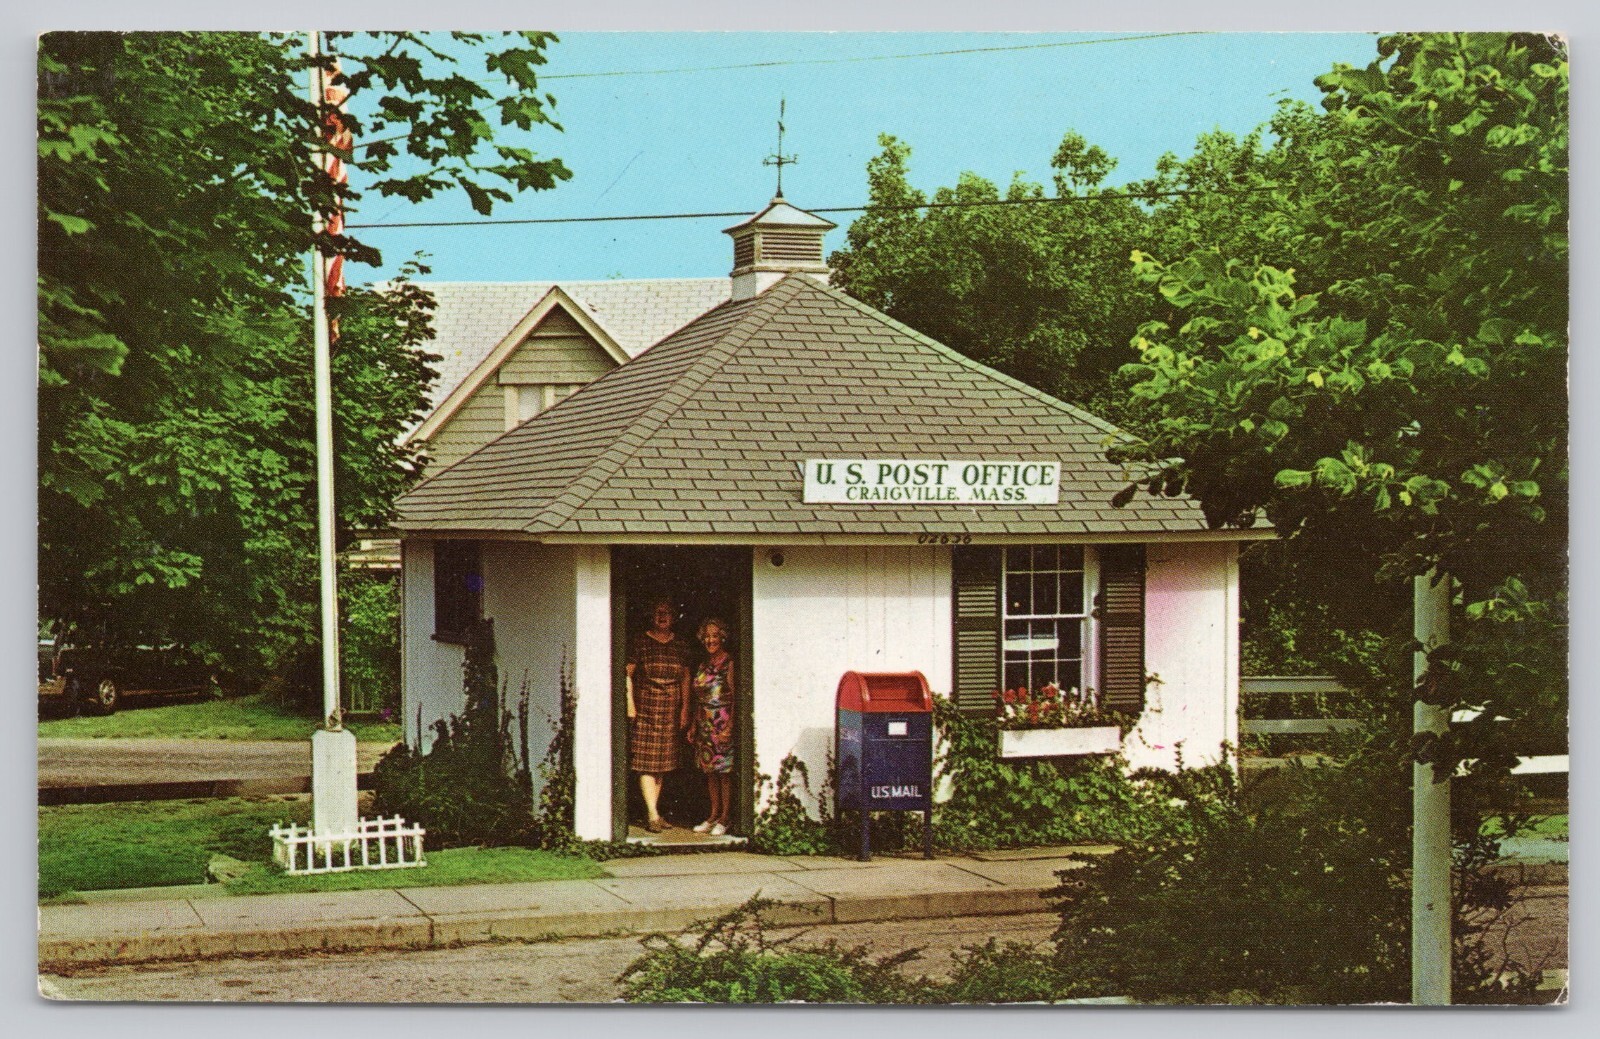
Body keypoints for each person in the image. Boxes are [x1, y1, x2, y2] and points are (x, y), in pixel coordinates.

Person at [626, 598, 691, 833]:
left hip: (670, 709)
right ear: (651, 615)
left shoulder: (680, 644)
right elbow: (628, 674)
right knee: (646, 763)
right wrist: (629, 703)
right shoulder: (641, 641)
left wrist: (685, 708)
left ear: (673, 617)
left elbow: (685, 677)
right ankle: (652, 813)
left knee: (662, 764)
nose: (662, 616)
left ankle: (655, 811)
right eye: (657, 612)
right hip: (646, 708)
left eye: (667, 613)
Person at [688, 617, 736, 836]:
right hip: (705, 723)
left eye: (714, 635)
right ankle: (713, 815)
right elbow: (699, 697)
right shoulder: (703, 665)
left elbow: (735, 697)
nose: (710, 640)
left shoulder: (729, 662)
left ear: (722, 637)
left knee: (724, 772)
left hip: (722, 722)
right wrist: (694, 725)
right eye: (706, 636)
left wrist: (729, 727)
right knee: (710, 772)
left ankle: (725, 818)